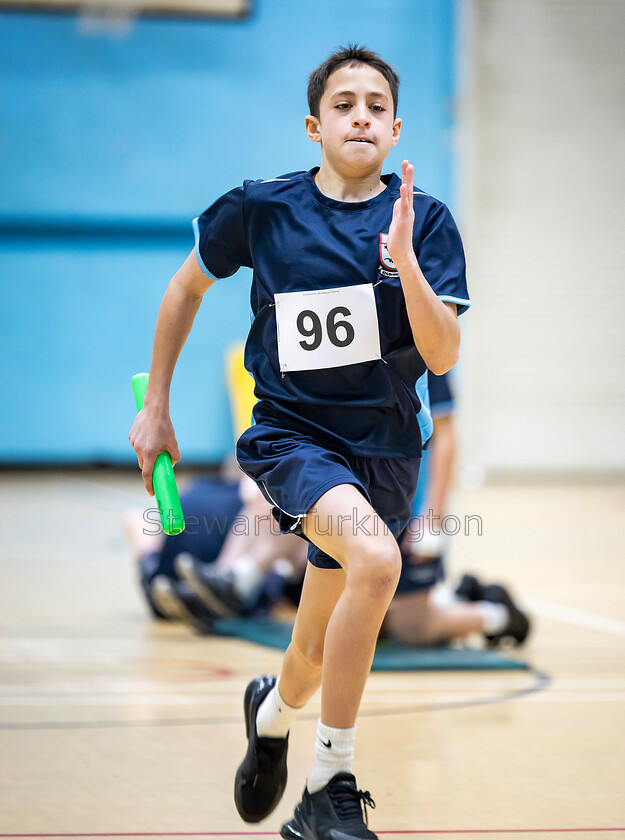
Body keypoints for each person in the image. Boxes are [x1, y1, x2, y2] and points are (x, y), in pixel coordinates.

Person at [129, 44, 470, 839]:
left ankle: (273, 714)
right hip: (292, 438)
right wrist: (159, 409)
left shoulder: (425, 222)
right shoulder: (263, 208)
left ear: (395, 128)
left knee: (312, 649)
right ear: (315, 126)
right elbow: (185, 288)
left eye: (376, 105)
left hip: (384, 453)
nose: (361, 116)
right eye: (344, 104)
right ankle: (330, 782)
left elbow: (444, 355)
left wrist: (407, 265)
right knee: (379, 563)